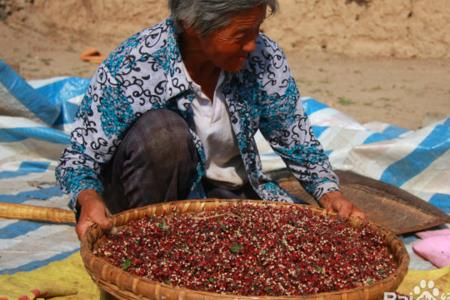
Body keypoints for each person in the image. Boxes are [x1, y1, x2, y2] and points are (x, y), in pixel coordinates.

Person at [56, 0, 365, 240]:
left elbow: (294, 137)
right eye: (241, 35)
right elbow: (78, 160)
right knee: (164, 135)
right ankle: (151, 241)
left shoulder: (262, 59)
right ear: (192, 26)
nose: (252, 45)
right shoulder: (135, 64)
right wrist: (88, 200)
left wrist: (328, 191)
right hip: (142, 200)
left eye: (257, 30)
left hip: (217, 196)